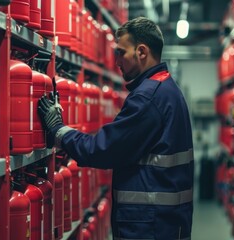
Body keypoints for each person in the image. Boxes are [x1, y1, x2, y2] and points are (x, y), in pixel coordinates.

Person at [38, 16, 194, 240]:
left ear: (141, 52)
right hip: (165, 222)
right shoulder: (167, 89)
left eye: (121, 52)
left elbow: (103, 150)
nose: (116, 61)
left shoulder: (149, 98)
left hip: (149, 226)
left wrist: (59, 131)